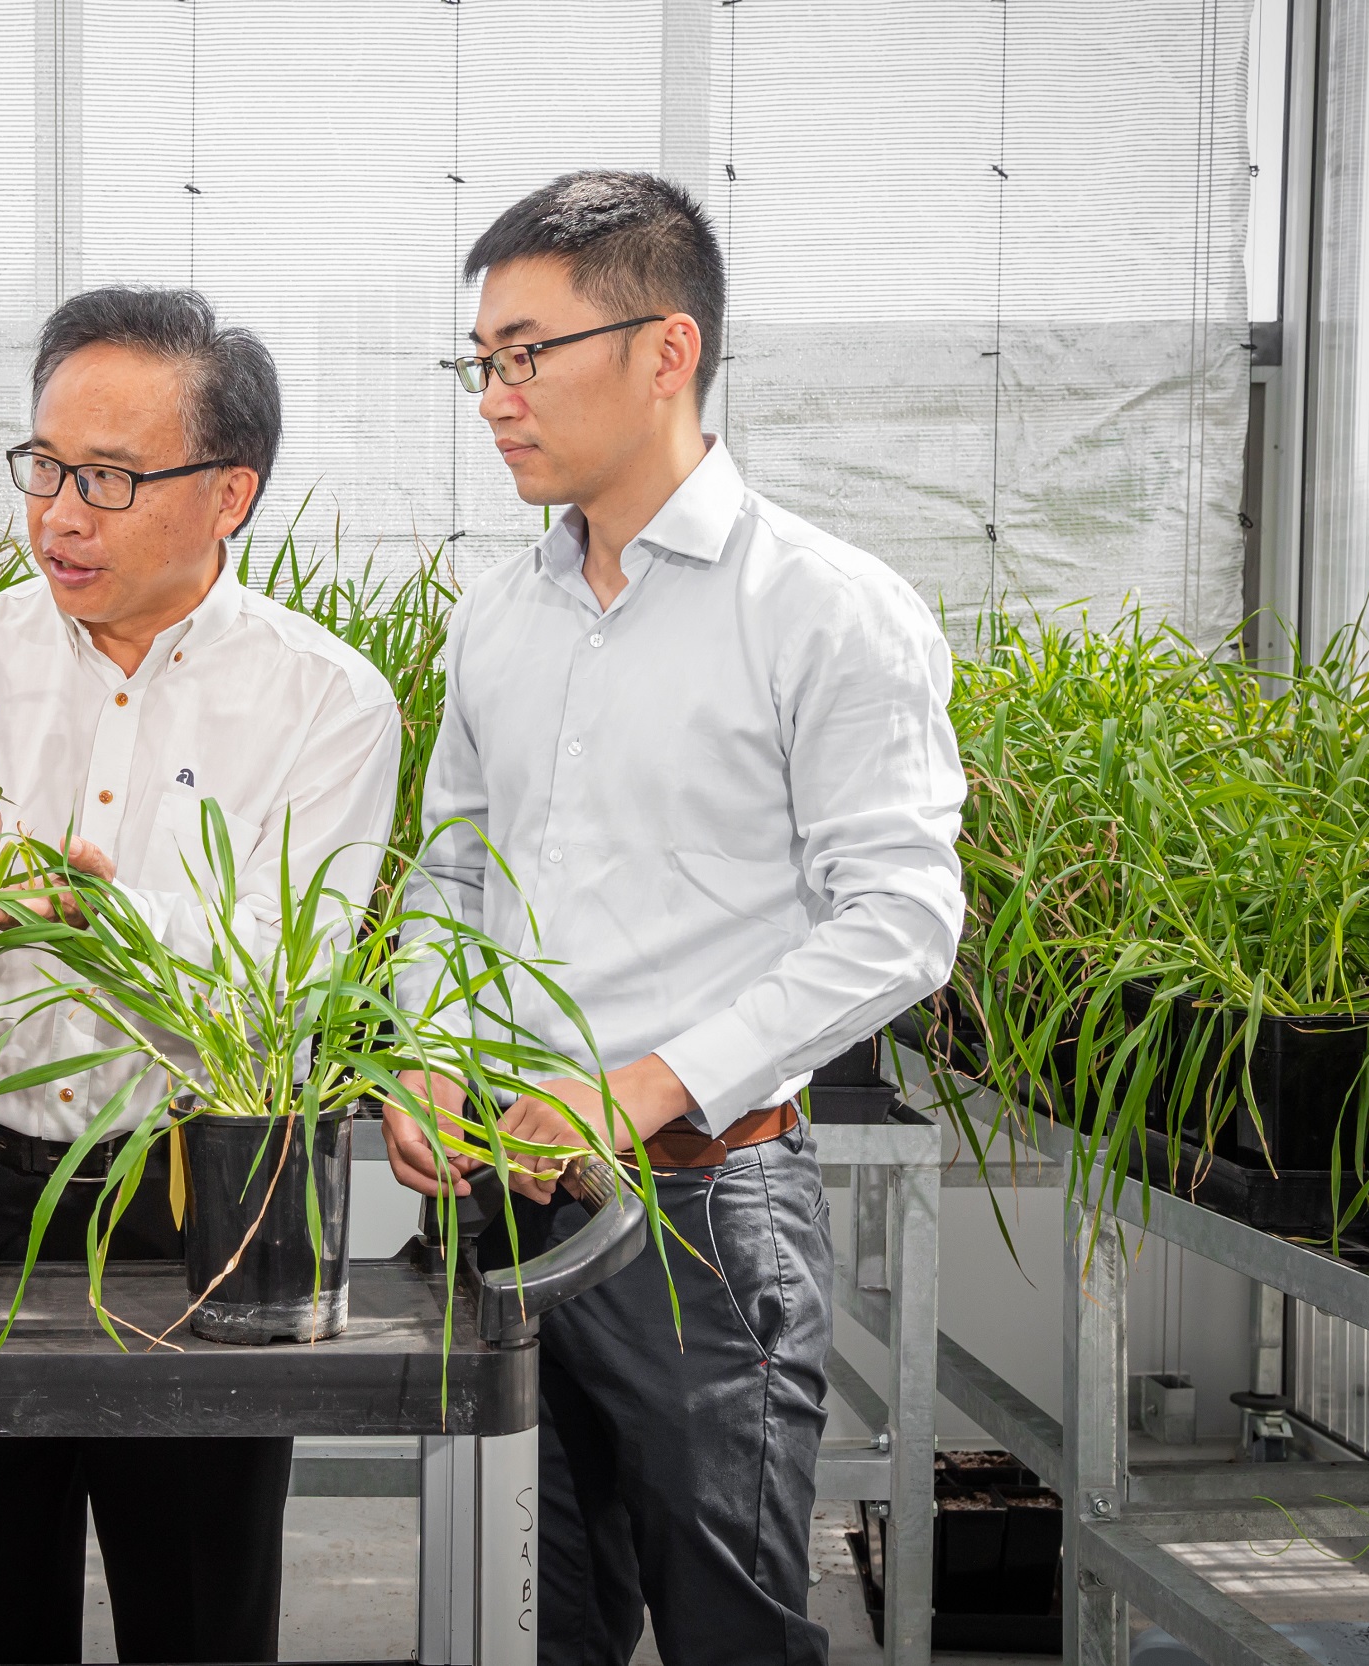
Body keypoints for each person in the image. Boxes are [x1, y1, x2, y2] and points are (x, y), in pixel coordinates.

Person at [385, 172, 966, 1666]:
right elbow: (450, 874)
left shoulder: (827, 610)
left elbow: (902, 917)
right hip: (498, 1200)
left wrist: (640, 1086)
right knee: (530, 1619)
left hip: (700, 1214)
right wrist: (426, 1049)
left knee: (730, 1629)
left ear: (667, 349)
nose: (495, 396)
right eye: (481, 361)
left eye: (527, 352)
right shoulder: (500, 614)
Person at [0, 287, 403, 1666]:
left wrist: (99, 916)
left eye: (107, 478)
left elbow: (293, 968)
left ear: (230, 493)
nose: (59, 512)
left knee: (201, 1612)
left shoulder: (325, 699)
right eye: (43, 468)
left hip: (204, 1199)